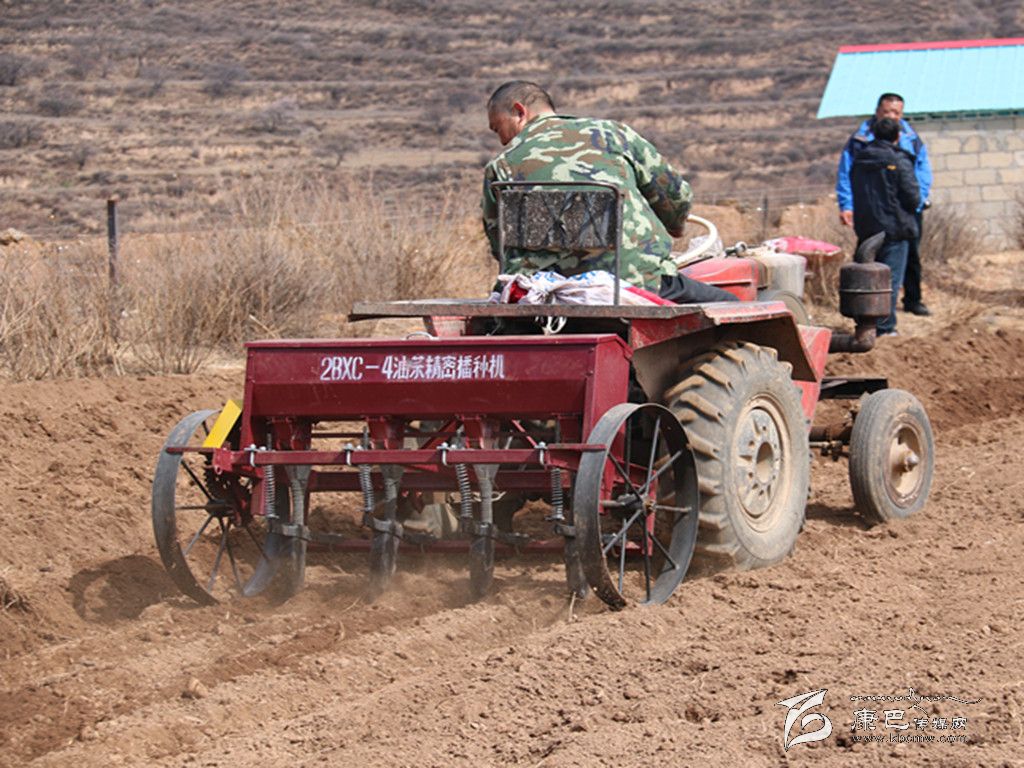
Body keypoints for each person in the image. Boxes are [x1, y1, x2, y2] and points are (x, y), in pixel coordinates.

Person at [481, 81, 736, 303]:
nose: (502, 140)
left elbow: (500, 246)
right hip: (634, 281)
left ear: (519, 112)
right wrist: (675, 225)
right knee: (730, 305)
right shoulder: (614, 135)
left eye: (498, 128)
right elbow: (676, 197)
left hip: (543, 294)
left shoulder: (501, 166)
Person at [836, 92, 933, 316]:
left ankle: (912, 299)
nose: (891, 116)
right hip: (872, 206)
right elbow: (845, 173)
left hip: (905, 207)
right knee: (868, 253)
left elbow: (922, 170)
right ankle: (866, 303)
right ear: (877, 111)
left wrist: (918, 200)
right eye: (887, 111)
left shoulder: (910, 138)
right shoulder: (860, 140)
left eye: (896, 113)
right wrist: (847, 204)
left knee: (910, 255)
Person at [849, 117, 920, 336]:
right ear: (897, 137)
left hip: (866, 226)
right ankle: (884, 327)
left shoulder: (860, 159)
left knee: (867, 277)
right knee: (889, 278)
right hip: (894, 228)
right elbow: (912, 197)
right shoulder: (898, 159)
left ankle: (864, 322)